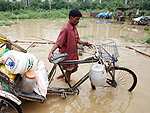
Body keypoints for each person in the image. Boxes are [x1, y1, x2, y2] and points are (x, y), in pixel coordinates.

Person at [48, 9, 91, 83]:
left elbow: (77, 40)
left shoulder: (74, 28)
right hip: (68, 56)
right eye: (77, 19)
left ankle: (63, 76)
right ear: (71, 18)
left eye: (79, 19)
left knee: (74, 69)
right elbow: (58, 42)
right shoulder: (65, 29)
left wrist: (86, 43)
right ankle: (67, 85)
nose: (78, 21)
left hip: (74, 54)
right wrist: (51, 52)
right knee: (69, 72)